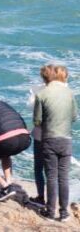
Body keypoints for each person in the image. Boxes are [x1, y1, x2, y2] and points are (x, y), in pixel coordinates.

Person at [33, 64, 76, 221]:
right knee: (63, 177)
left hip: (49, 139)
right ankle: (64, 213)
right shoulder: (69, 93)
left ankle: (50, 212)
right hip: (66, 140)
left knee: (51, 176)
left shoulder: (42, 94)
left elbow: (37, 121)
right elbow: (73, 117)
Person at [26, 65, 52, 208]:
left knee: (39, 167)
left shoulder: (40, 91)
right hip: (58, 135)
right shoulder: (63, 92)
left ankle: (41, 198)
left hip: (41, 135)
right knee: (52, 170)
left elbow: (36, 118)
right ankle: (54, 201)